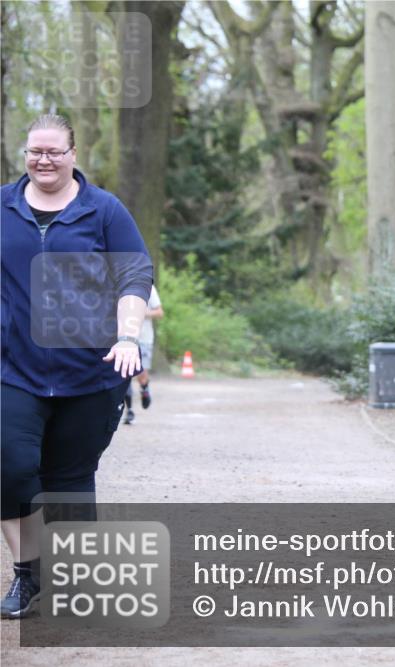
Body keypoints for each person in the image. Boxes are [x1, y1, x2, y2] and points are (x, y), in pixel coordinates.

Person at [0, 114, 152, 618]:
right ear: (24, 155)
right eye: (34, 152)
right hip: (13, 368)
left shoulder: (103, 210)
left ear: (73, 154)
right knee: (10, 470)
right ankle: (28, 575)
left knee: (69, 480)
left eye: (54, 152)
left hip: (90, 372)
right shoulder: (2, 206)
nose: (43, 160)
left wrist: (128, 335)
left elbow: (134, 277)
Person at [123, 284, 163, 425]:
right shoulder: (120, 285)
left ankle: (144, 388)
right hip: (125, 337)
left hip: (144, 338)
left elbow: (159, 312)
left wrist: (142, 313)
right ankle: (129, 411)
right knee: (125, 373)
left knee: (141, 374)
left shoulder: (149, 288)